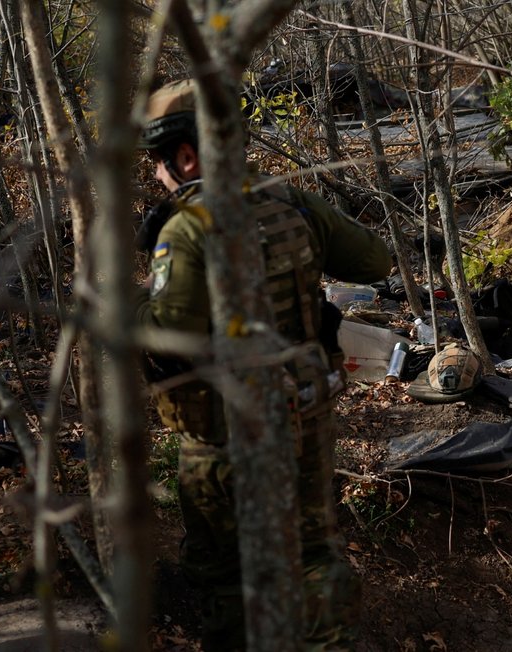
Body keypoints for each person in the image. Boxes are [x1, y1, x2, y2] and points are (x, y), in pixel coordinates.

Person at [134, 79, 392, 650]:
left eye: (158, 162)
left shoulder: (187, 227)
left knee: (225, 574)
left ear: (186, 154)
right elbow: (376, 260)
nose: (156, 176)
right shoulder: (291, 202)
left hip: (224, 432)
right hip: (305, 419)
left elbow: (164, 334)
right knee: (313, 553)